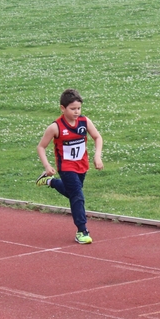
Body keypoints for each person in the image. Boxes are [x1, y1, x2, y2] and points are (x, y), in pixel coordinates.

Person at [36, 88, 104, 244]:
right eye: (72, 109)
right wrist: (47, 165)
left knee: (72, 193)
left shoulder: (84, 121)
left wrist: (97, 155)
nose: (76, 112)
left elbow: (97, 137)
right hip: (66, 167)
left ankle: (50, 181)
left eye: (79, 108)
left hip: (82, 165)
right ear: (62, 108)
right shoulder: (55, 127)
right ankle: (82, 231)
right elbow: (41, 147)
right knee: (78, 197)